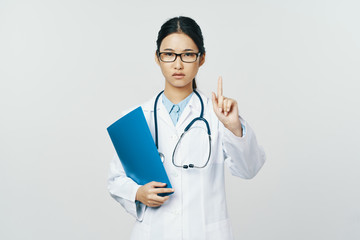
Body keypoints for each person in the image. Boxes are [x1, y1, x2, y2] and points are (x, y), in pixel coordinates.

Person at [107, 16, 266, 240]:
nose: (178, 64)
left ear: (201, 59)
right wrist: (138, 193)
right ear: (157, 58)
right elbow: (115, 180)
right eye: (169, 54)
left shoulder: (218, 114)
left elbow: (249, 169)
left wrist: (234, 127)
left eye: (188, 54)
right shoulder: (136, 118)